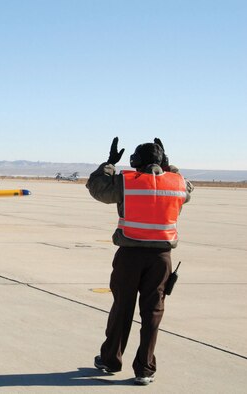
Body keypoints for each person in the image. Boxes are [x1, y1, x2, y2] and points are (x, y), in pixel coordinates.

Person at [86, 137, 193, 385]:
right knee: (153, 312)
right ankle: (145, 368)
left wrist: (109, 164)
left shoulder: (127, 181)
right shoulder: (177, 183)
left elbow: (96, 187)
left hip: (130, 255)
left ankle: (111, 360)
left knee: (122, 307)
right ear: (163, 160)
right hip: (161, 259)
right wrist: (168, 166)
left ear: (135, 161)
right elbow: (188, 191)